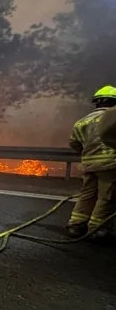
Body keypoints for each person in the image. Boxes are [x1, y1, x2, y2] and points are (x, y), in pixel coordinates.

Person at [66, 85, 116, 240]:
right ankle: (97, 229)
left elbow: (74, 144)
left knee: (87, 194)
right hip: (110, 164)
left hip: (88, 164)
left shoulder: (81, 122)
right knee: (106, 197)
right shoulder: (112, 118)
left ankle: (76, 225)